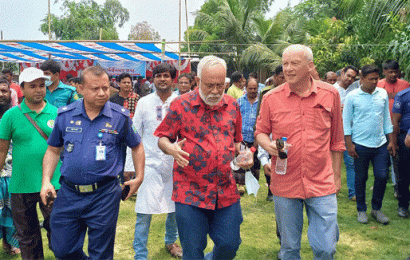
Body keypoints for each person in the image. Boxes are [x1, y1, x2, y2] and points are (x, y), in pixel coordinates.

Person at [40, 66, 145, 260]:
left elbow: (137, 146)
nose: (102, 93)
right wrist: (46, 180)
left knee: (101, 253)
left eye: (105, 88)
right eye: (95, 88)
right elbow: (53, 150)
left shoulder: (119, 116)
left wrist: (139, 177)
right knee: (62, 248)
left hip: (104, 195)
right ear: (80, 88)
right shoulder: (65, 115)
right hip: (70, 193)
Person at [155, 55, 252, 259]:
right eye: (209, 85)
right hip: (190, 190)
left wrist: (243, 155)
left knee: (230, 244)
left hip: (225, 189)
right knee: (192, 250)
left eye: (220, 85)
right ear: (197, 82)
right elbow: (162, 137)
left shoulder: (233, 105)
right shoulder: (180, 105)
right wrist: (171, 148)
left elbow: (237, 142)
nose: (215, 91)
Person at [255, 44, 344, 260]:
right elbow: (260, 132)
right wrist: (268, 147)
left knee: (326, 248)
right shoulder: (270, 98)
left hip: (321, 182)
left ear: (310, 67)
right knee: (289, 248)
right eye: (285, 63)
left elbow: (337, 140)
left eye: (295, 63)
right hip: (285, 183)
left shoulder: (330, 94)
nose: (288, 68)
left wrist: (337, 177)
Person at [0, 67, 61, 259]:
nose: (38, 90)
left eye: (42, 85)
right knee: (27, 235)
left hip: (53, 183)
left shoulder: (57, 113)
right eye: (33, 86)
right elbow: (1, 150)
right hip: (21, 184)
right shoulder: (10, 116)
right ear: (22, 89)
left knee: (58, 229)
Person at [124, 63, 182, 259]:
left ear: (173, 79)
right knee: (143, 211)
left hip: (175, 162)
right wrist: (130, 167)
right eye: (158, 76)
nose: (162, 79)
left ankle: (171, 242)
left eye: (166, 75)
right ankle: (140, 253)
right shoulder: (144, 102)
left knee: (175, 209)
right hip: (147, 163)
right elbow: (134, 133)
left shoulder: (181, 102)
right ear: (153, 79)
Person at [343, 65, 394, 225]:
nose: (374, 82)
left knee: (381, 175)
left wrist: (391, 140)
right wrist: (349, 144)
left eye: (376, 79)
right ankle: (361, 210)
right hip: (360, 144)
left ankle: (376, 209)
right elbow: (346, 122)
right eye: (371, 79)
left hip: (380, 144)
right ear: (362, 79)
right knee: (361, 177)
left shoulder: (382, 94)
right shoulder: (352, 96)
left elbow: (386, 118)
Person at [377, 60, 409, 197]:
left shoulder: (405, 85)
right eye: (390, 71)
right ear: (384, 72)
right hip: (381, 126)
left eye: (395, 71)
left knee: (397, 157)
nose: (393, 74)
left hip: (399, 127)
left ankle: (398, 186)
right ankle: (382, 183)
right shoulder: (378, 85)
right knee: (383, 157)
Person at [333, 65, 360, 201]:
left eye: (353, 78)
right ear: (342, 73)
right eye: (348, 75)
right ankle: (331, 189)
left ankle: (353, 193)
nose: (350, 79)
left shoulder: (355, 91)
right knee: (331, 161)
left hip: (349, 132)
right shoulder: (332, 90)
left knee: (350, 162)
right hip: (333, 131)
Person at [0, 78, 20, 256]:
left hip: (12, 173)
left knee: (12, 212)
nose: (1, 94)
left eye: (4, 91)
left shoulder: (16, 115)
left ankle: (9, 243)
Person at [235, 78, 261, 194]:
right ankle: (240, 185)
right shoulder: (239, 101)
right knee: (241, 160)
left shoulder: (261, 103)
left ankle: (253, 186)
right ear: (246, 88)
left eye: (255, 88)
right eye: (250, 88)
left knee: (255, 161)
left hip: (256, 138)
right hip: (242, 137)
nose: (252, 90)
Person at [392, 86, 410, 218]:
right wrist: (394, 141)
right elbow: (395, 120)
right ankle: (403, 206)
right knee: (403, 173)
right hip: (405, 139)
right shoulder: (402, 96)